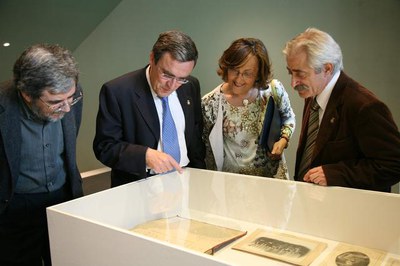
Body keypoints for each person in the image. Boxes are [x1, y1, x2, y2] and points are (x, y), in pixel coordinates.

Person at [283, 27, 400, 192]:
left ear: (327, 69)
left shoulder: (365, 106)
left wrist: (335, 174)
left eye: (300, 74)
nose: (293, 83)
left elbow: (394, 164)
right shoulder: (312, 95)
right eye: (290, 73)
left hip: (352, 212)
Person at [0, 44, 83, 265]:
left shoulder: (69, 94)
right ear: (27, 93)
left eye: (71, 98)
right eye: (56, 102)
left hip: (63, 201)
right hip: (14, 210)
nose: (67, 109)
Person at [93, 30, 206, 187]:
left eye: (181, 79)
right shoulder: (118, 91)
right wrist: (144, 156)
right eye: (166, 75)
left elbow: (195, 139)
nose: (172, 86)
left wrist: (199, 181)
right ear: (152, 58)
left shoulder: (191, 86)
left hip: (185, 181)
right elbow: (105, 147)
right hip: (140, 188)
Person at [202, 38, 295, 178]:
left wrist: (283, 140)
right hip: (232, 185)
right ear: (227, 67)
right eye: (234, 70)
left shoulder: (273, 91)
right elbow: (208, 153)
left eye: (247, 73)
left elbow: (288, 118)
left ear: (258, 74)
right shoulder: (210, 103)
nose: (239, 79)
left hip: (272, 181)